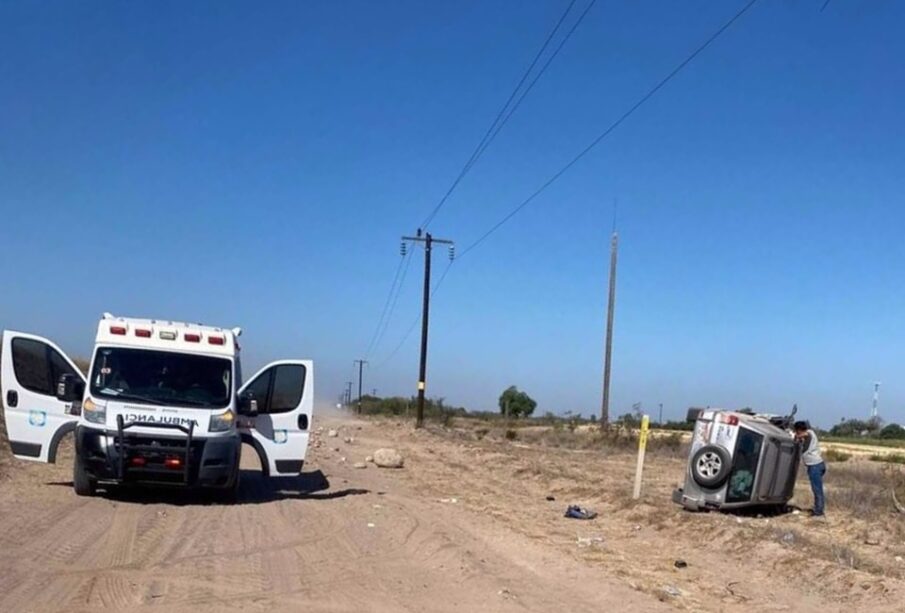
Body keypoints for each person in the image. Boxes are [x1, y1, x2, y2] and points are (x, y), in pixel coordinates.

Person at [794, 421, 826, 518]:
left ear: (799, 430)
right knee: (817, 488)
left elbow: (805, 434)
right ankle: (818, 508)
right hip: (816, 465)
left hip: (815, 465)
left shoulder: (810, 433)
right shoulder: (808, 437)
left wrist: (796, 436)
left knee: (817, 489)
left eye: (797, 431)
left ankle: (818, 512)